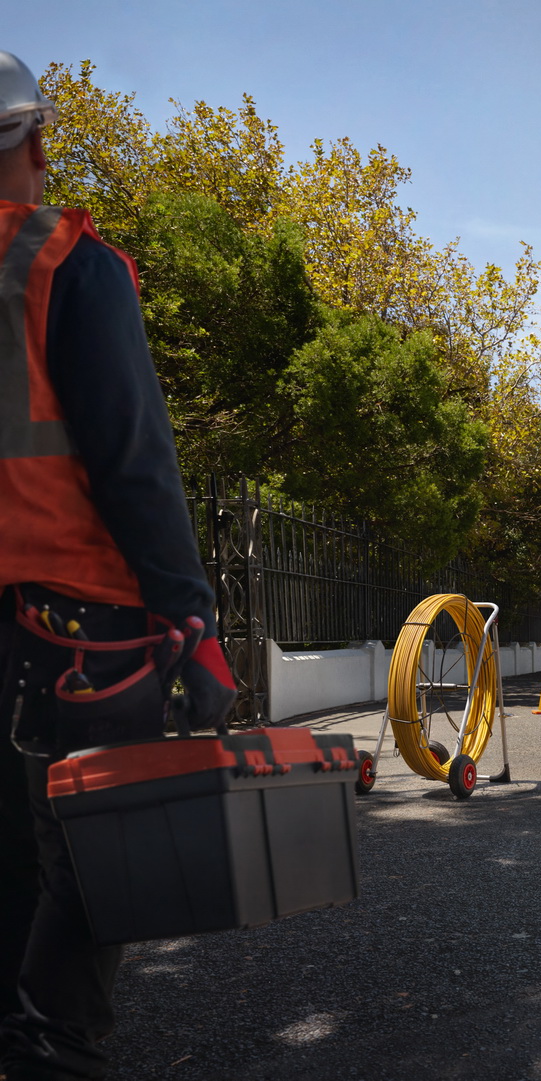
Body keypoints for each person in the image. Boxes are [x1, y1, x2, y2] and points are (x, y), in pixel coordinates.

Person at [0, 52, 237, 1081]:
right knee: (99, 869)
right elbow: (136, 463)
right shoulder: (62, 265)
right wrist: (193, 621)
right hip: (80, 634)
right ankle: (54, 1050)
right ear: (35, 143)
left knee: (19, 862)